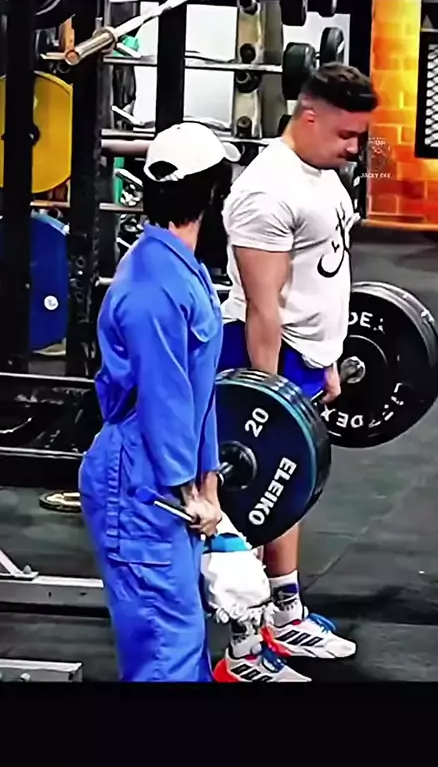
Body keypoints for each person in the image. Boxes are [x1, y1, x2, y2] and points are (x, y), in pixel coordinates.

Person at [214, 62, 379, 682]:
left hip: (303, 361)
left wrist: (327, 358)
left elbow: (327, 274)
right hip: (263, 359)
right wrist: (269, 397)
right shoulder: (267, 192)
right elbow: (264, 307)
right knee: (249, 503)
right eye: (346, 135)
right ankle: (241, 652)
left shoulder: (322, 175)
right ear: (309, 117)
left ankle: (284, 615)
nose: (355, 148)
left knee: (289, 488)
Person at [79, 122, 240, 683]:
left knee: (184, 641)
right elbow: (164, 400)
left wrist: (210, 485)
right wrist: (189, 490)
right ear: (212, 194)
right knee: (165, 649)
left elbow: (199, 391)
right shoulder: (154, 284)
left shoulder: (181, 268)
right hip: (141, 480)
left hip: (165, 477)